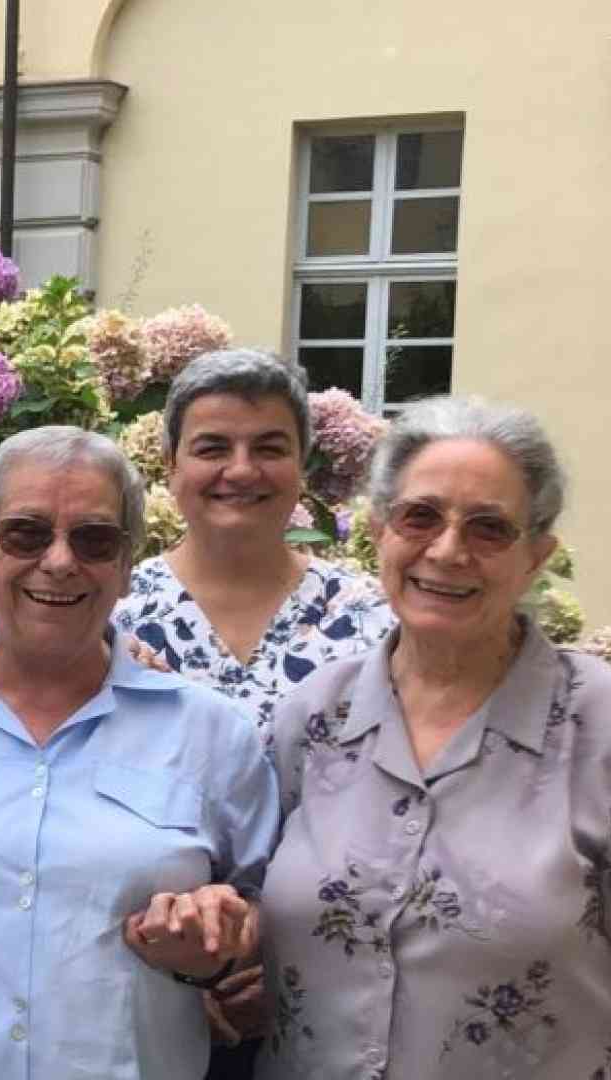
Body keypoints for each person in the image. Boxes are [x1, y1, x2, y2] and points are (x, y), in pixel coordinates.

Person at [256, 397, 611, 1080]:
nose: (448, 551)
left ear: (536, 557)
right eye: (420, 517)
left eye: (489, 529)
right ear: (380, 532)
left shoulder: (605, 725)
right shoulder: (315, 715)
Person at [0, 426, 281, 1080]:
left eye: (94, 540)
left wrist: (228, 938)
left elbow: (268, 917)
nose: (60, 560)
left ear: (126, 566)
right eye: (26, 533)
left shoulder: (212, 735)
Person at [110, 348, 395, 1074]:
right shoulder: (115, 616)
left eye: (269, 448)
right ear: (171, 466)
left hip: (334, 983)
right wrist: (188, 976)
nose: (241, 470)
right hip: (142, 982)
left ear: (302, 466)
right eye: (213, 448)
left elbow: (401, 810)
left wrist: (291, 965)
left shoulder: (371, 623)